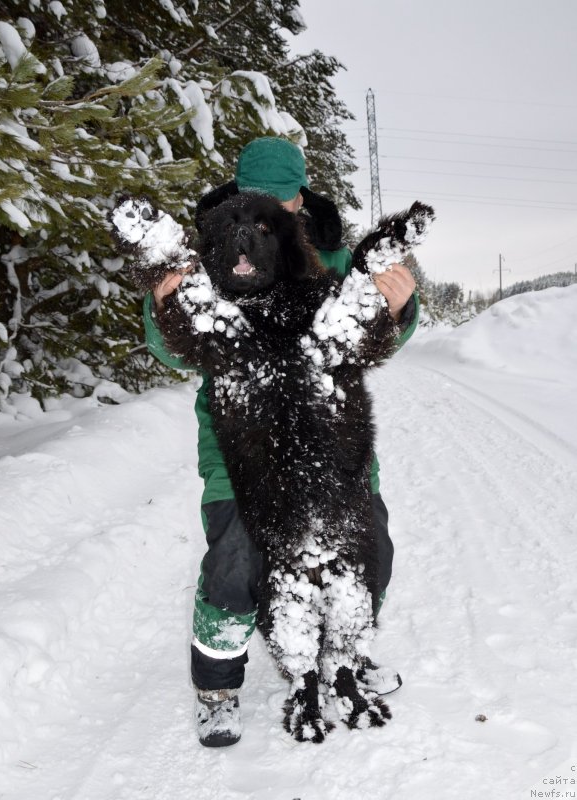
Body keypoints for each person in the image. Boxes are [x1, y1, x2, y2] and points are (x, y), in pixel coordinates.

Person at [143, 137, 418, 747]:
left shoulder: (333, 254)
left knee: (371, 551)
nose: (273, 216)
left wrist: (400, 309)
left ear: (301, 197)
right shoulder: (216, 246)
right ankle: (217, 686)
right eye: (258, 200)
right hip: (242, 445)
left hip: (330, 444)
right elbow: (170, 348)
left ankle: (342, 656)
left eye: (284, 203)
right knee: (237, 560)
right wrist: (165, 304)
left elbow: (372, 340)